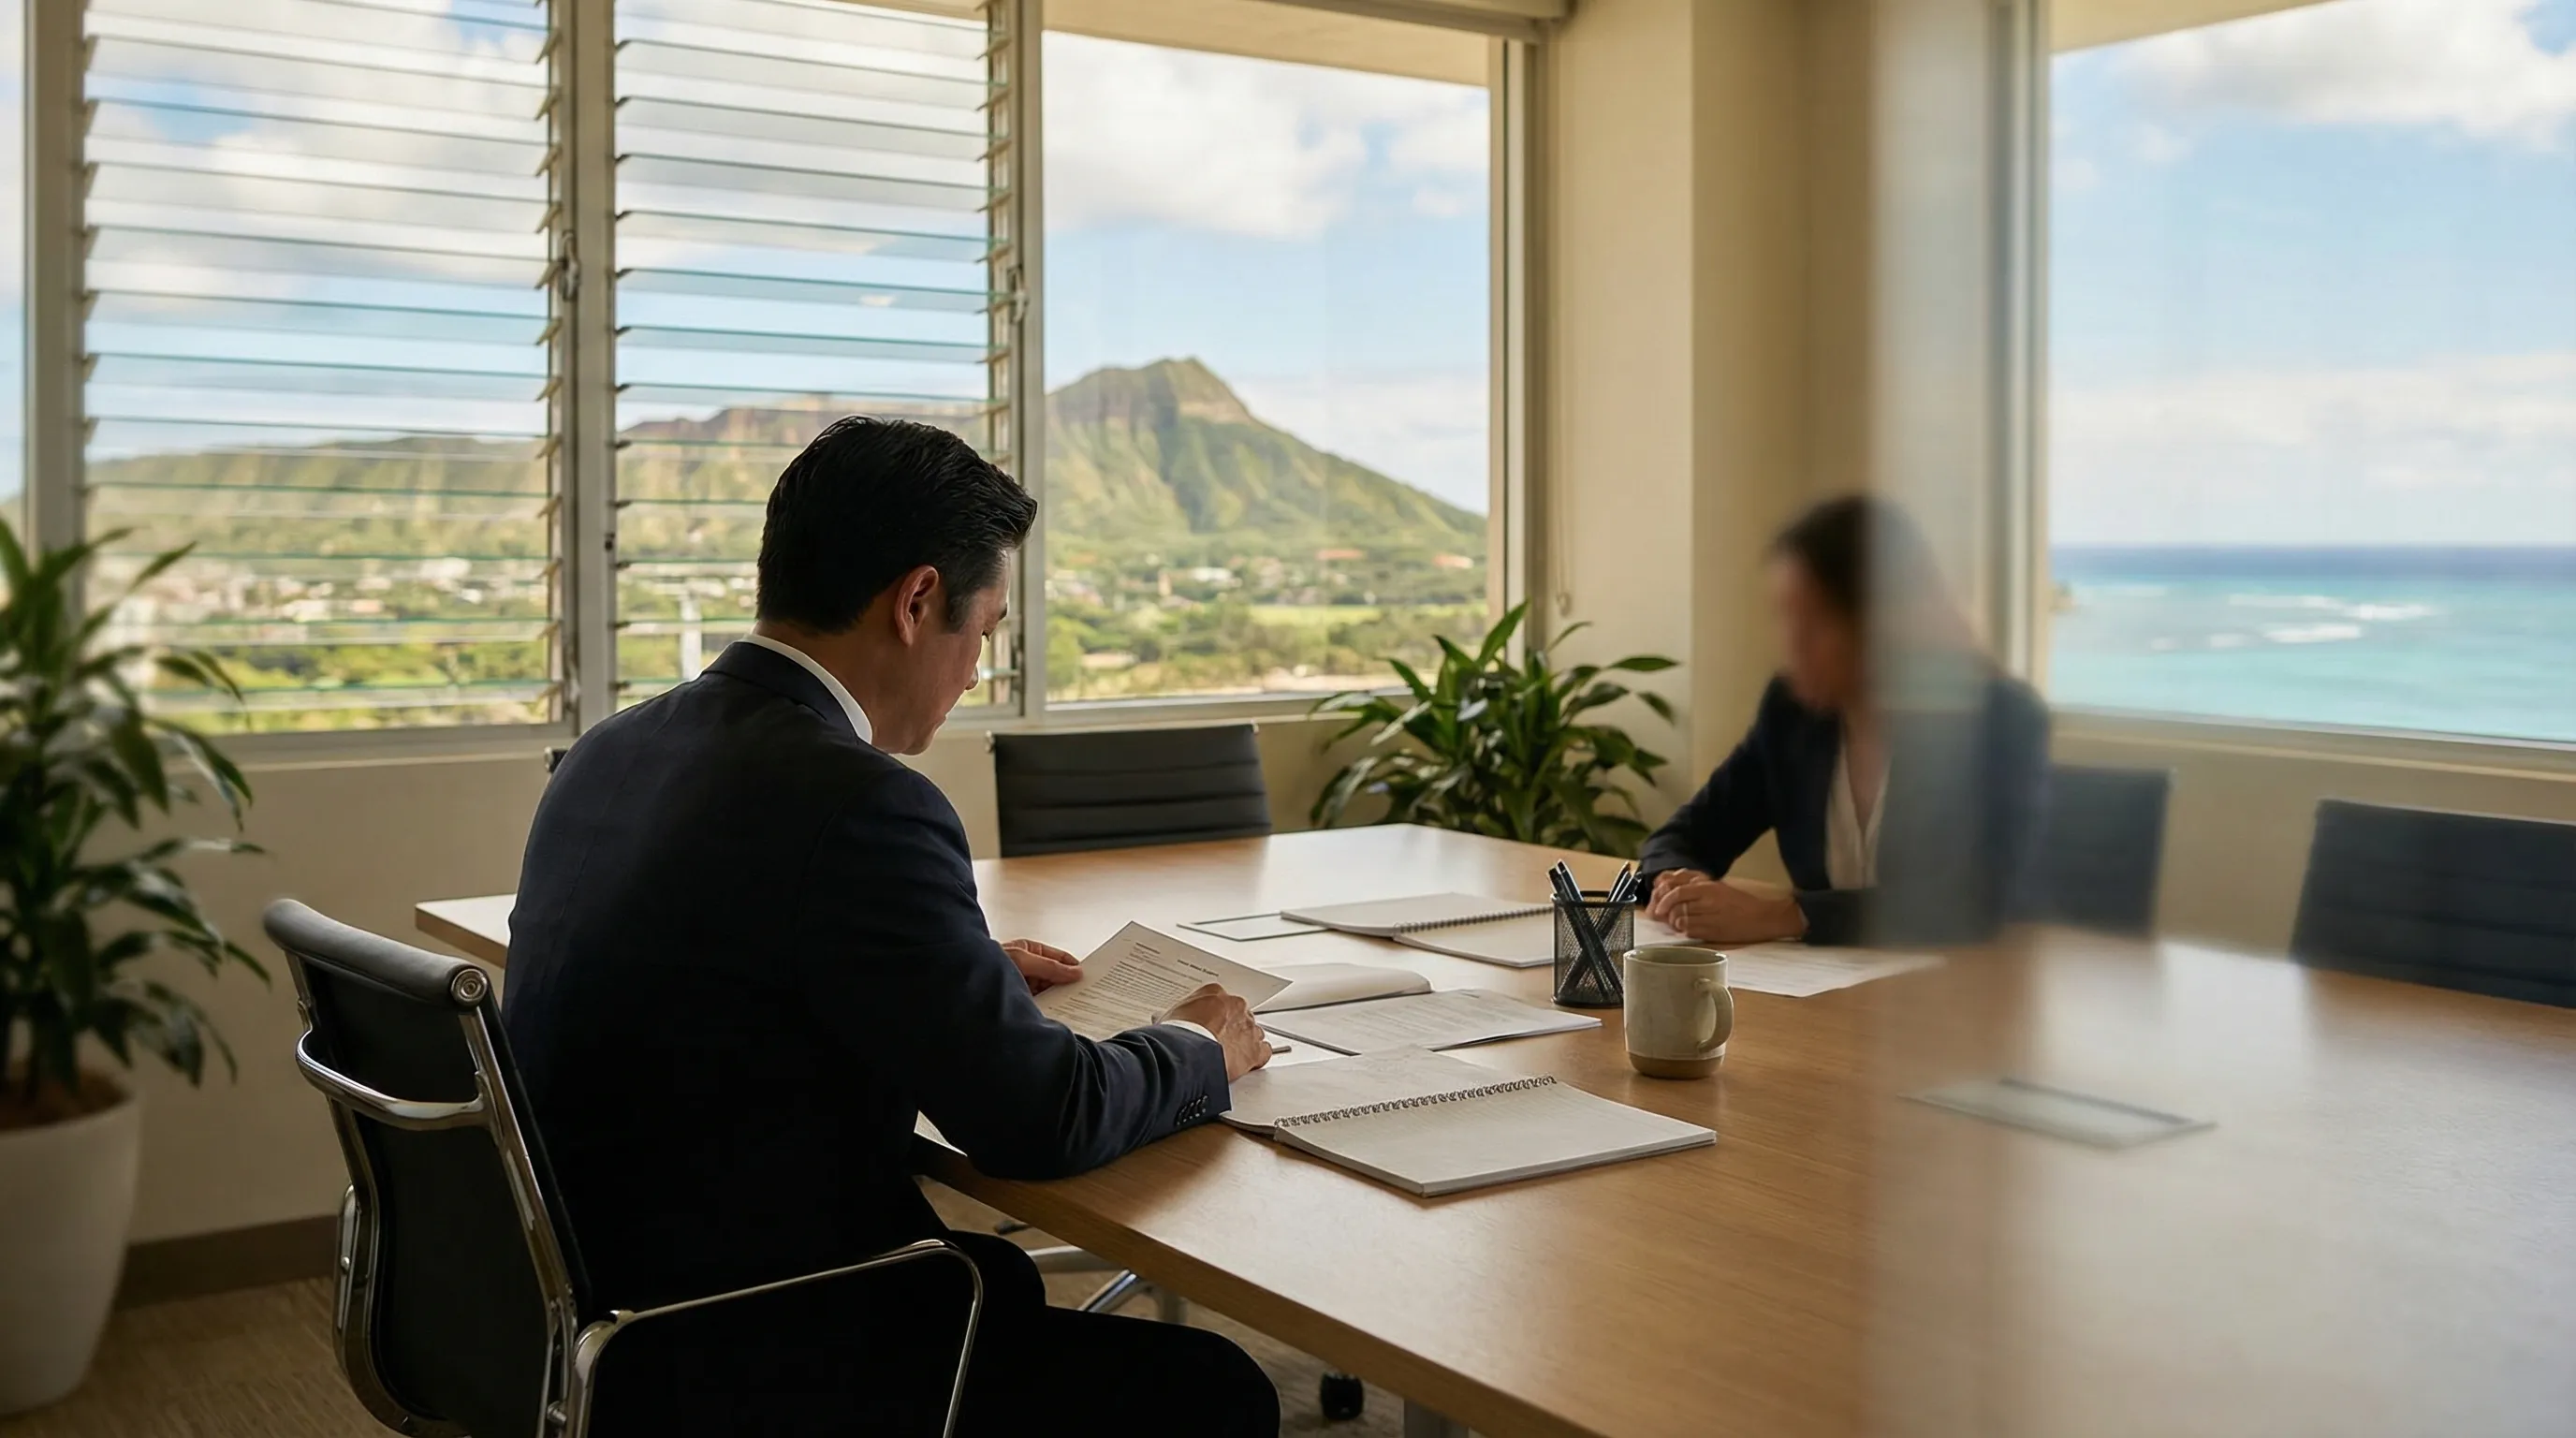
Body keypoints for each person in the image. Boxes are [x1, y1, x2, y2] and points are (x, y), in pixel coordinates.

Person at [504, 418, 1281, 1435]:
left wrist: (945, 967)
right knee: (1216, 1393)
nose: (972, 674)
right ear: (918, 601)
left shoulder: (615, 747)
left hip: (596, 1306)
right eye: (985, 631)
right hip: (756, 1349)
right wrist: (1199, 1047)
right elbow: (1037, 1120)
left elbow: (718, 954)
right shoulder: (861, 802)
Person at [1641, 495, 2048, 947]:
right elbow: (1686, 835)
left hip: (1968, 995)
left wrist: (1791, 915)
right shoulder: (1791, 712)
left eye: (1814, 622)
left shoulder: (1997, 718)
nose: (1792, 644)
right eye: (1785, 617)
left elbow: (1973, 900)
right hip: (1832, 1001)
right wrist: (1677, 886)